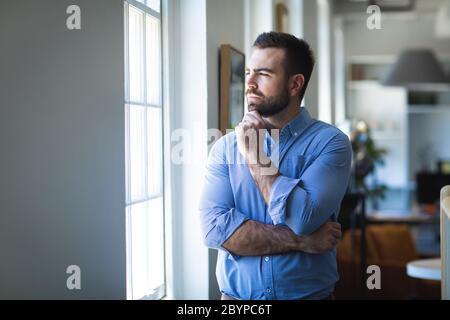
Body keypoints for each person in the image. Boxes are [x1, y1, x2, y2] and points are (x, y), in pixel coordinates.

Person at [199, 32, 352, 300]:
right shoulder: (224, 149)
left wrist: (256, 156)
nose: (249, 83)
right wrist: (301, 241)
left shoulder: (331, 144)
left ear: (295, 84)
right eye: (249, 72)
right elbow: (214, 231)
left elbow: (302, 219)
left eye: (263, 74)